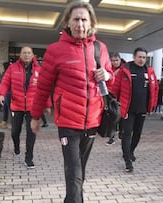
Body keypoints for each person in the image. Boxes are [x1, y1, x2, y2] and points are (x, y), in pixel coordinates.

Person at [30, 1, 113, 202]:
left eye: (84, 19)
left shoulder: (100, 48)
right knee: (73, 172)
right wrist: (35, 116)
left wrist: (107, 75)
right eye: (75, 19)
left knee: (79, 173)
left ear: (91, 22)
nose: (80, 24)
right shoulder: (55, 50)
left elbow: (110, 73)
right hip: (68, 122)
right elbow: (43, 87)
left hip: (93, 121)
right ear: (67, 21)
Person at [0, 46, 51, 169]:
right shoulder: (12, 68)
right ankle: (16, 147)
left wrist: (47, 104)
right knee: (15, 131)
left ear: (33, 55)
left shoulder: (39, 69)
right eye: (24, 53)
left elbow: (44, 88)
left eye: (29, 53)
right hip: (17, 106)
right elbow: (5, 83)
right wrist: (1, 94)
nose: (26, 55)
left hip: (32, 107)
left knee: (31, 132)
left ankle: (29, 158)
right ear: (20, 56)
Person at [111, 47, 159, 172]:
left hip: (142, 109)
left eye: (144, 57)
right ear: (134, 57)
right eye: (140, 57)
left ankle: (130, 151)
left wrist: (152, 106)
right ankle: (127, 161)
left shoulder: (149, 71)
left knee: (137, 134)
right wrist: (114, 105)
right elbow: (115, 88)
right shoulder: (125, 69)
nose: (142, 59)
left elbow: (155, 90)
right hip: (127, 109)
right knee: (127, 134)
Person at [106, 52, 125, 145]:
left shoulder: (125, 69)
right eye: (113, 60)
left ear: (120, 60)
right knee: (113, 116)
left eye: (116, 60)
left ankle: (121, 133)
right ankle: (111, 137)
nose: (115, 62)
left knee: (121, 116)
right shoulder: (109, 69)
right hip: (112, 96)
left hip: (122, 97)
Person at [0, 62, 11, 129]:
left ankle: (15, 123)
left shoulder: (7, 73)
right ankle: (4, 122)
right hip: (6, 92)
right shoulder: (5, 73)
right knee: (5, 108)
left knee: (10, 109)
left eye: (3, 66)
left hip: (9, 92)